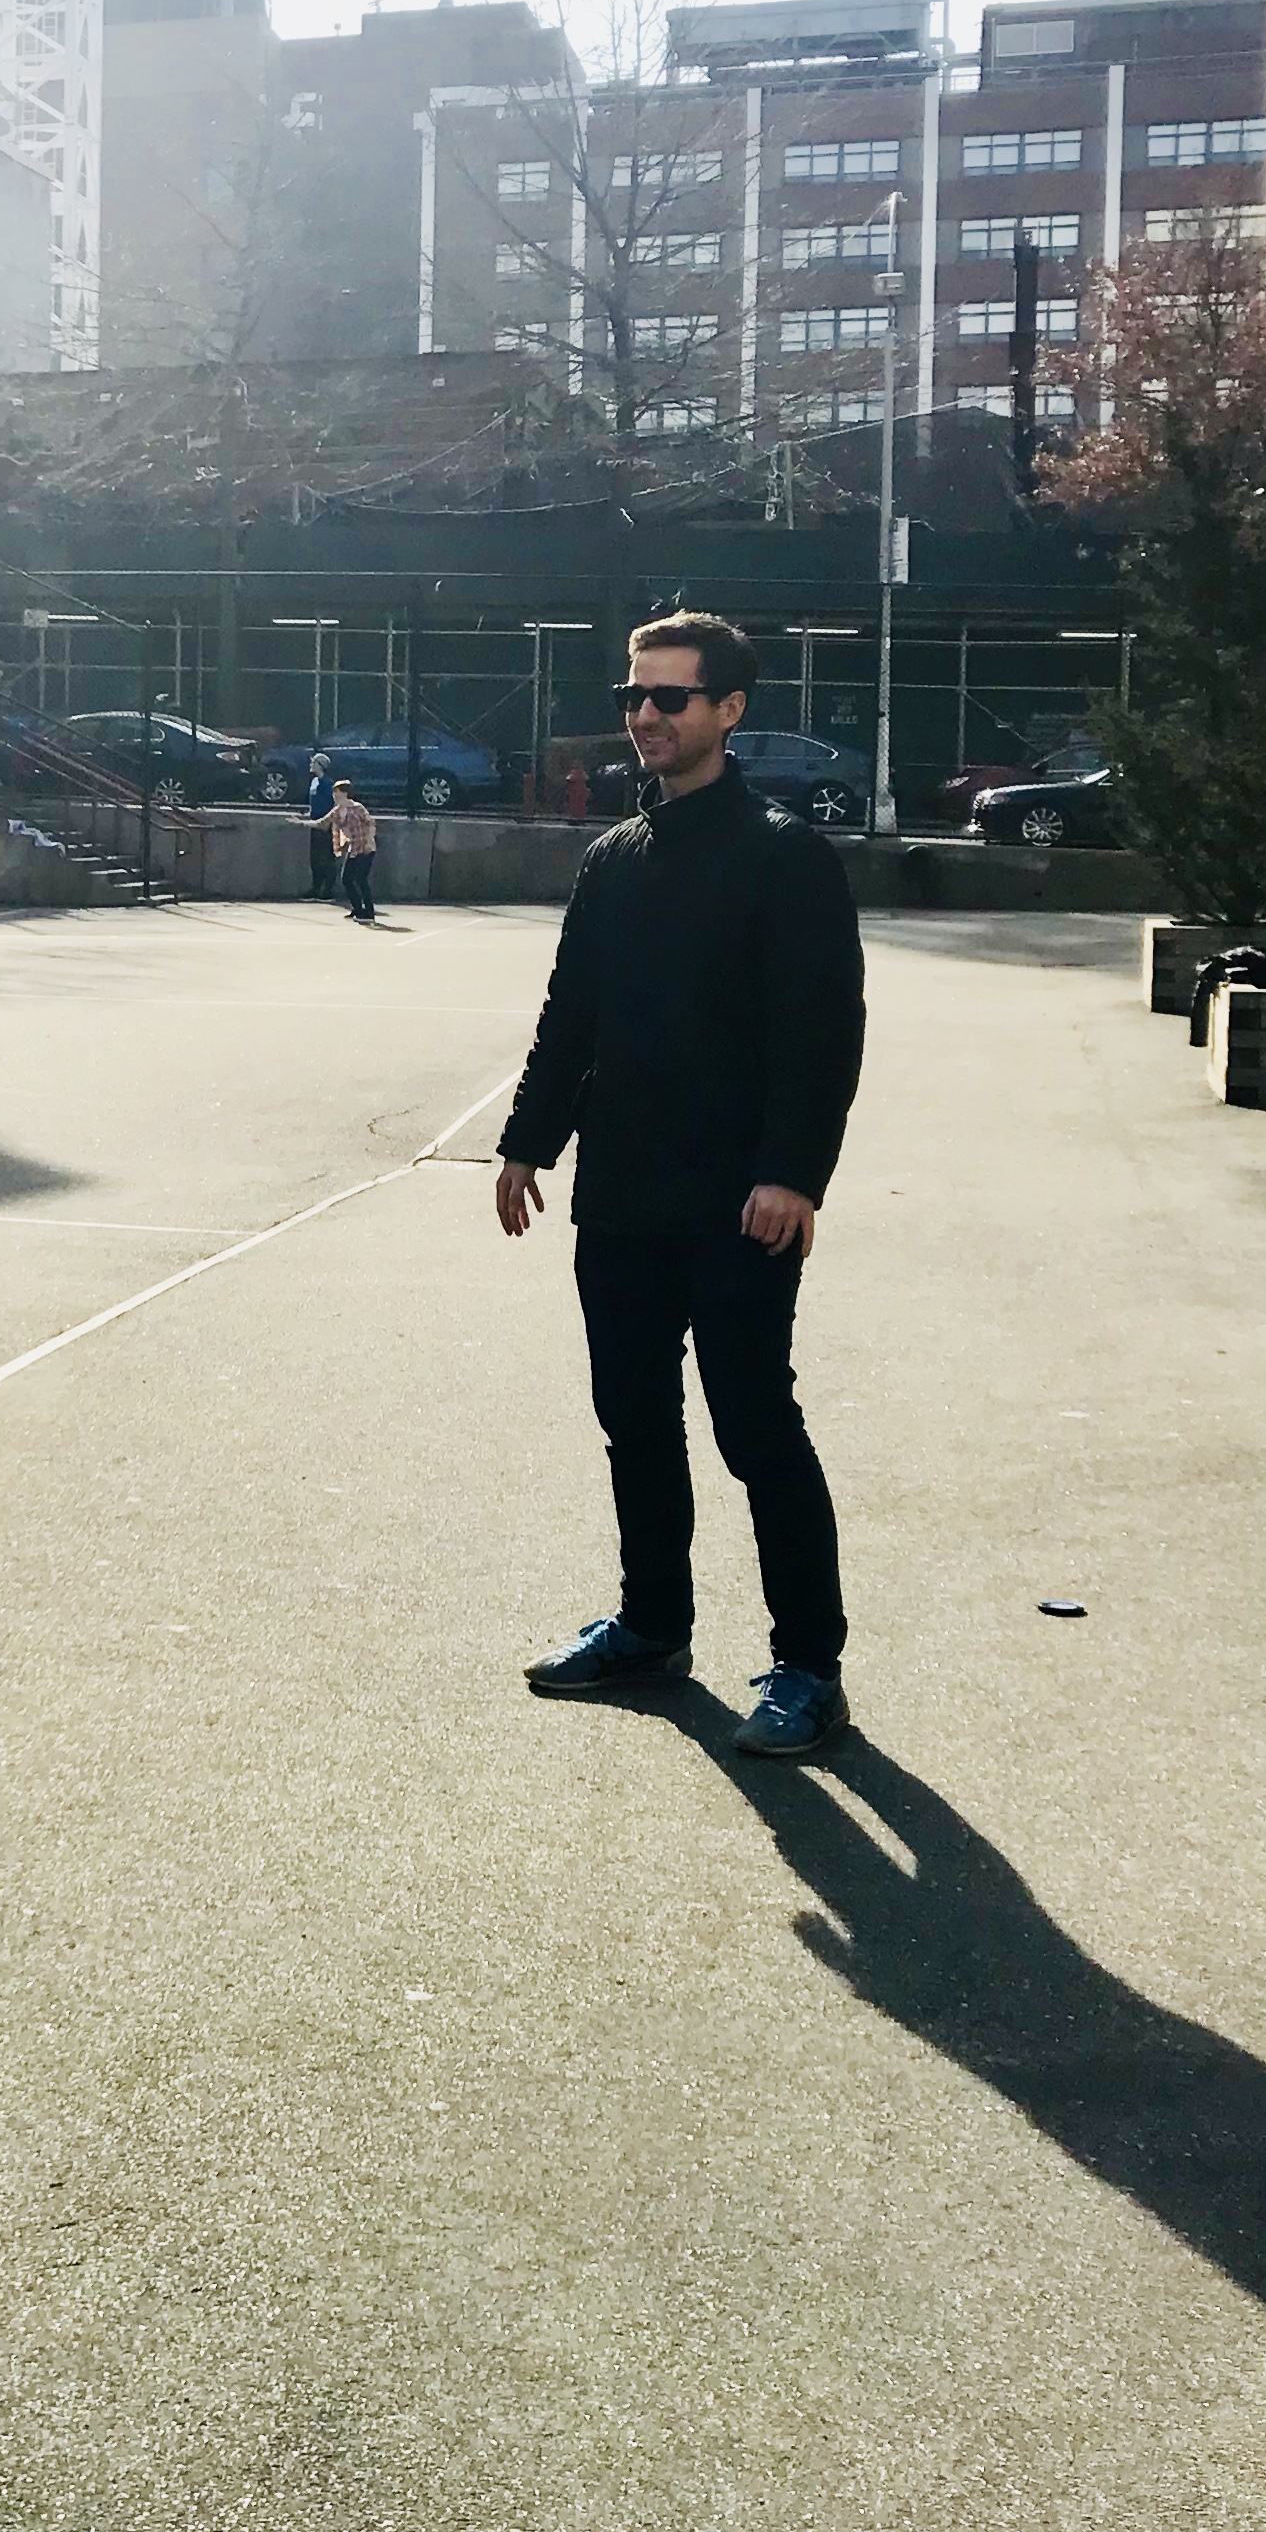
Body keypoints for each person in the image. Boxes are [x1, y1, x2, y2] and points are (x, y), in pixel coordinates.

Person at [493, 611, 864, 1756]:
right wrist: (526, 1144)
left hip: (739, 1205)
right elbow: (572, 1017)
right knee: (635, 1420)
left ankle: (809, 1668)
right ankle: (653, 1625)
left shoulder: (784, 855)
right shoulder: (614, 859)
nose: (645, 716)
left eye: (670, 697)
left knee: (755, 1428)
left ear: (729, 710)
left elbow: (822, 1032)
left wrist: (792, 1174)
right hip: (621, 1196)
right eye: (633, 697)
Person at [322, 782, 382, 922]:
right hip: (353, 848)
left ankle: (369, 913)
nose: (334, 795)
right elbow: (322, 822)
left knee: (361, 879)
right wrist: (301, 823)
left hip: (366, 847)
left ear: (344, 793)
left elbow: (370, 823)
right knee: (346, 879)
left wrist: (369, 840)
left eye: (336, 792)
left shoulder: (357, 808)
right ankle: (358, 909)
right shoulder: (337, 811)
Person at [302, 750, 339, 903]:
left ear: (321, 765)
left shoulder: (327, 784)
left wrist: (329, 821)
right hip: (315, 821)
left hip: (325, 823)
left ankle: (327, 890)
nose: (311, 764)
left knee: (326, 856)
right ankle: (316, 887)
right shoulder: (314, 782)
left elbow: (333, 803)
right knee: (315, 856)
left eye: (314, 762)